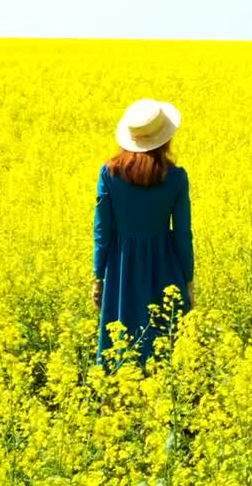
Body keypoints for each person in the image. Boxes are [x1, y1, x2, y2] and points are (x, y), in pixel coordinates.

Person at [92, 98, 195, 370]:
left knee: (121, 347)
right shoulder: (176, 177)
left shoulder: (109, 173)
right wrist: (187, 281)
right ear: (165, 138)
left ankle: (116, 405)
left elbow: (102, 231)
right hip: (165, 266)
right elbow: (183, 233)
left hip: (121, 271)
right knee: (166, 346)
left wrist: (98, 278)